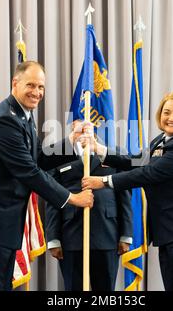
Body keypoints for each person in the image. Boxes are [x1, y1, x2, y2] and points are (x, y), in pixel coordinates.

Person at [0, 61, 93, 291]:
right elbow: (29, 171)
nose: (37, 92)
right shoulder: (4, 120)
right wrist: (72, 198)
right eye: (31, 85)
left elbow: (37, 157)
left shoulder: (24, 116)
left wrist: (71, 140)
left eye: (41, 87)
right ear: (15, 83)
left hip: (3, 224)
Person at [82, 90, 173, 291]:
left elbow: (147, 174)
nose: (172, 118)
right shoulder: (161, 141)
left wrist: (104, 181)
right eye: (167, 112)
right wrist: (99, 149)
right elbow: (136, 161)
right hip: (171, 233)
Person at [45, 121, 133, 291]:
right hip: (71, 234)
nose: (84, 131)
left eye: (88, 127)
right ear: (72, 130)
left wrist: (126, 234)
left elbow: (124, 195)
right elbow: (52, 197)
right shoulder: (58, 157)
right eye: (79, 128)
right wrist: (53, 239)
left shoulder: (114, 154)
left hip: (107, 233)